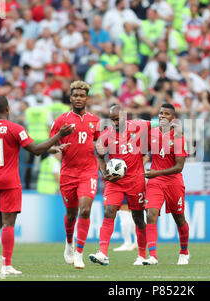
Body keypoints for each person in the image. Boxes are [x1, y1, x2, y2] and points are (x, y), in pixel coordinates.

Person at [0, 95, 74, 275]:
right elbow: (35, 150)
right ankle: (6, 265)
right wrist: (59, 136)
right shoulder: (16, 129)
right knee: (9, 223)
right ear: (7, 109)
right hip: (10, 181)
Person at [89, 105, 155, 266]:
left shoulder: (138, 126)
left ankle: (141, 255)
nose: (115, 122)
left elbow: (157, 123)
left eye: (118, 119)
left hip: (135, 181)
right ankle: (103, 253)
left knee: (138, 218)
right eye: (113, 120)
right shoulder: (106, 135)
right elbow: (99, 157)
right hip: (115, 182)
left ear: (125, 116)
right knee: (109, 211)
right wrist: (104, 174)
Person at [50, 80, 101, 269]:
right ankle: (69, 242)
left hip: (88, 172)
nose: (79, 98)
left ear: (86, 98)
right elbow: (50, 146)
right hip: (68, 173)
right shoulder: (61, 120)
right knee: (71, 215)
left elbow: (99, 145)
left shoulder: (94, 121)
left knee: (85, 210)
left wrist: (104, 164)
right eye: (75, 95)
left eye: (82, 95)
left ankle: (79, 252)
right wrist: (57, 148)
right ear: (70, 98)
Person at [142, 103, 190, 265]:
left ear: (173, 118)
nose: (162, 116)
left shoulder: (178, 136)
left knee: (179, 219)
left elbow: (179, 166)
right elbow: (142, 152)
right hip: (155, 182)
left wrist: (157, 172)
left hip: (173, 182)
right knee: (150, 215)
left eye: (167, 114)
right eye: (161, 113)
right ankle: (153, 256)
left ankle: (184, 252)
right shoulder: (152, 134)